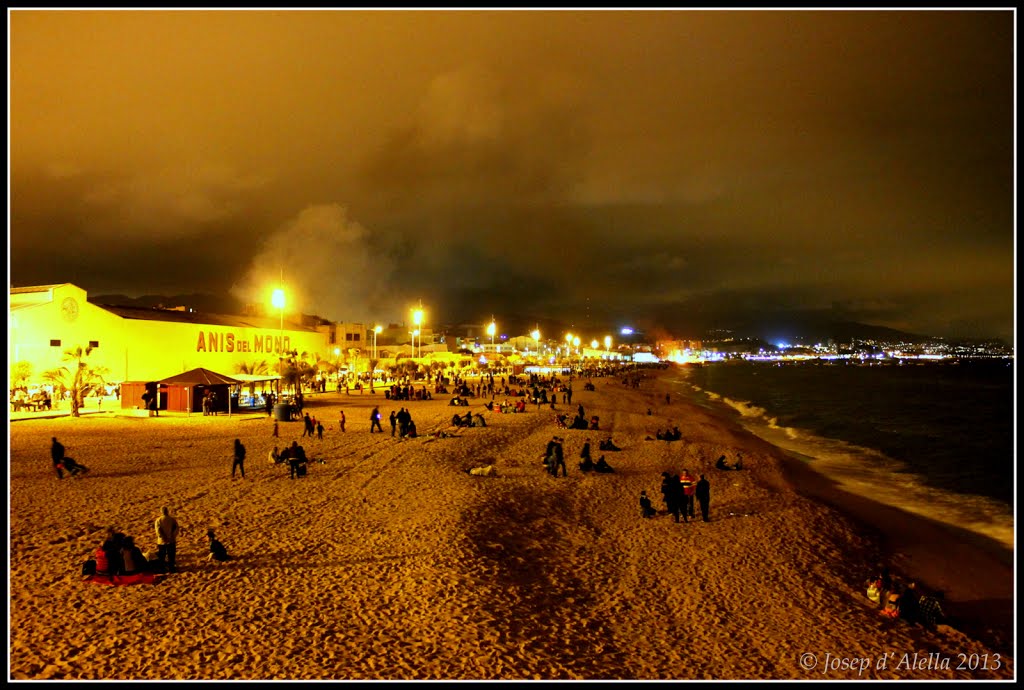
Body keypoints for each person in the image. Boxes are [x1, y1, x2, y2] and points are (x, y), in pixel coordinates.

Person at [154, 507, 180, 573]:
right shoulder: (172, 520)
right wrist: (172, 536)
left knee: (162, 555)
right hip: (171, 540)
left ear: (161, 512)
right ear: (167, 511)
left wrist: (163, 537)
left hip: (161, 541)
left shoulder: (158, 520)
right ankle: (171, 568)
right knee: (171, 555)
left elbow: (158, 530)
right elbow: (176, 529)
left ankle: (162, 568)